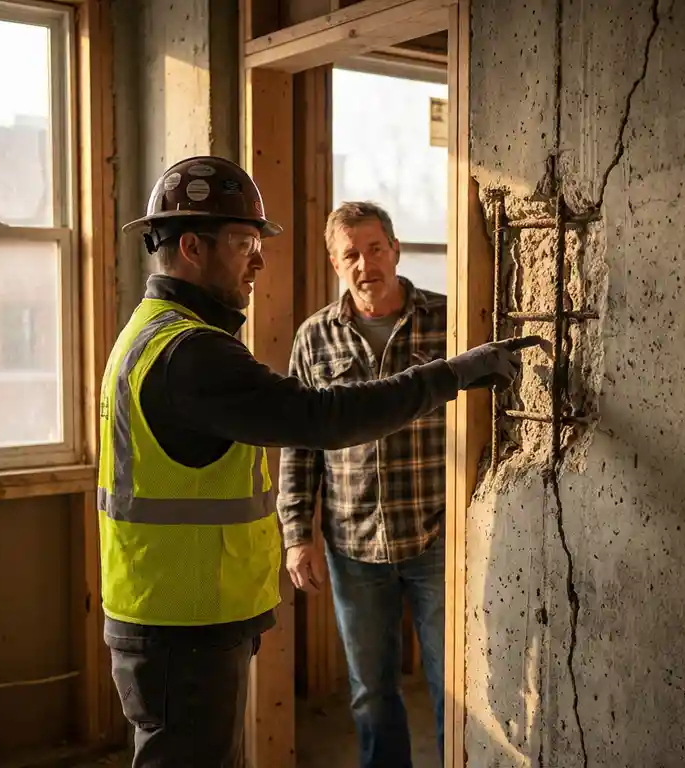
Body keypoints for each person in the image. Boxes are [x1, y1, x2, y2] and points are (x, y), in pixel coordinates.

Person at [98, 156, 539, 768]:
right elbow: (319, 421)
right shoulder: (192, 353)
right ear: (193, 247)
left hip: (179, 614)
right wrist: (458, 373)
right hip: (183, 622)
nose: (259, 258)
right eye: (246, 241)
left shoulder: (156, 333)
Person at [276, 201, 450, 768]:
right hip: (355, 546)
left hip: (441, 539)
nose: (365, 263)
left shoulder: (447, 322)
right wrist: (297, 534)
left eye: (375, 248)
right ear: (335, 262)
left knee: (458, 685)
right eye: (351, 253)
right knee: (371, 693)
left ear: (396, 250)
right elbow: (299, 445)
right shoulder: (314, 339)